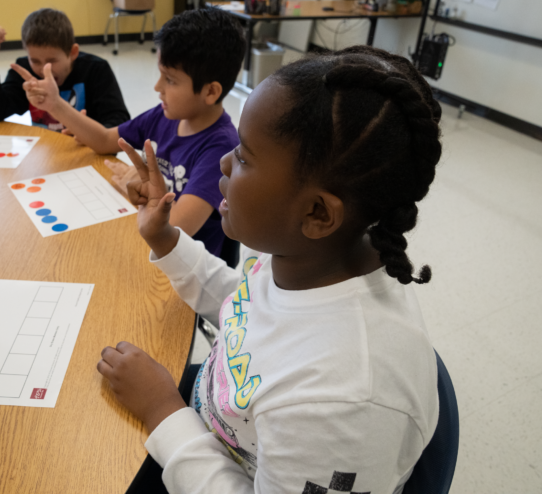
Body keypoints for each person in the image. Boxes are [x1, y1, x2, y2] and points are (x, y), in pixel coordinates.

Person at [96, 45, 444, 494]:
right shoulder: (307, 256)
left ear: (318, 212)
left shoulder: (343, 402)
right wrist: (165, 238)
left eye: (244, 157)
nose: (223, 162)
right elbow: (243, 304)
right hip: (212, 422)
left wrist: (163, 410)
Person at [11, 8, 246, 259]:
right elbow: (104, 140)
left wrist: (147, 193)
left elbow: (178, 226)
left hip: (186, 268)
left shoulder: (220, 147)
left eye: (170, 80)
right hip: (153, 247)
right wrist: (55, 105)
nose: (157, 87)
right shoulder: (163, 115)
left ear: (210, 92)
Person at [0, 8, 130, 130]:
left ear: (72, 53)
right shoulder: (25, 70)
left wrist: (88, 133)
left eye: (52, 61)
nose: (44, 70)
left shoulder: (96, 70)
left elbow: (119, 123)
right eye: (35, 60)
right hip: (46, 154)